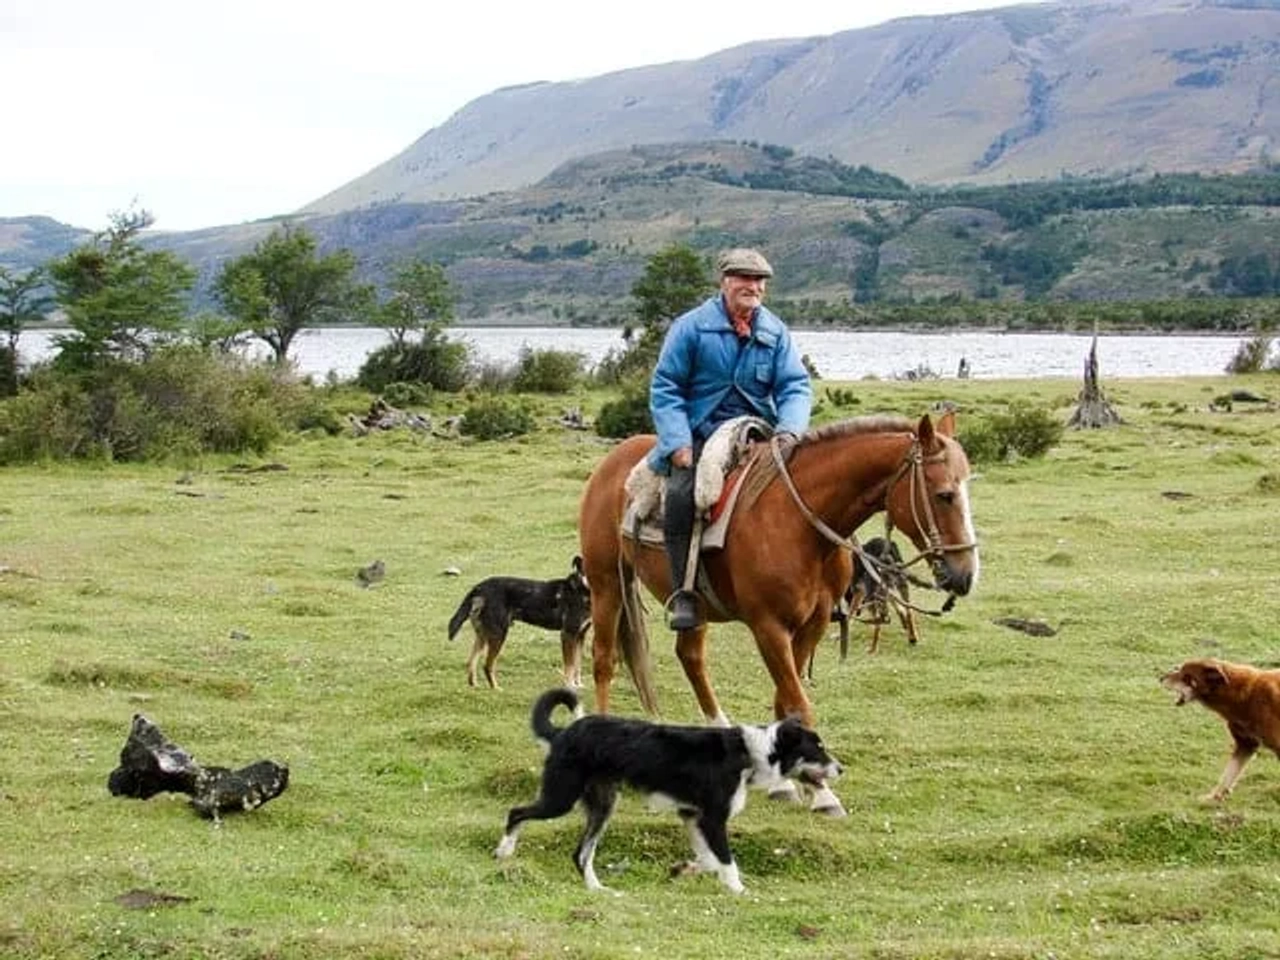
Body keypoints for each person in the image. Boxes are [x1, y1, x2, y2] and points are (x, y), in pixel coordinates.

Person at [648, 247, 813, 631]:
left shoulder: (775, 332)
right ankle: (683, 594)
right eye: (743, 278)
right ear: (724, 282)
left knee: (813, 489)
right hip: (700, 433)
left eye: (759, 281)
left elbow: (795, 386)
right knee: (681, 496)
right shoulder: (690, 327)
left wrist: (789, 431)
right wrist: (677, 443)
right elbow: (666, 386)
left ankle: (824, 589)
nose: (752, 286)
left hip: (760, 433)